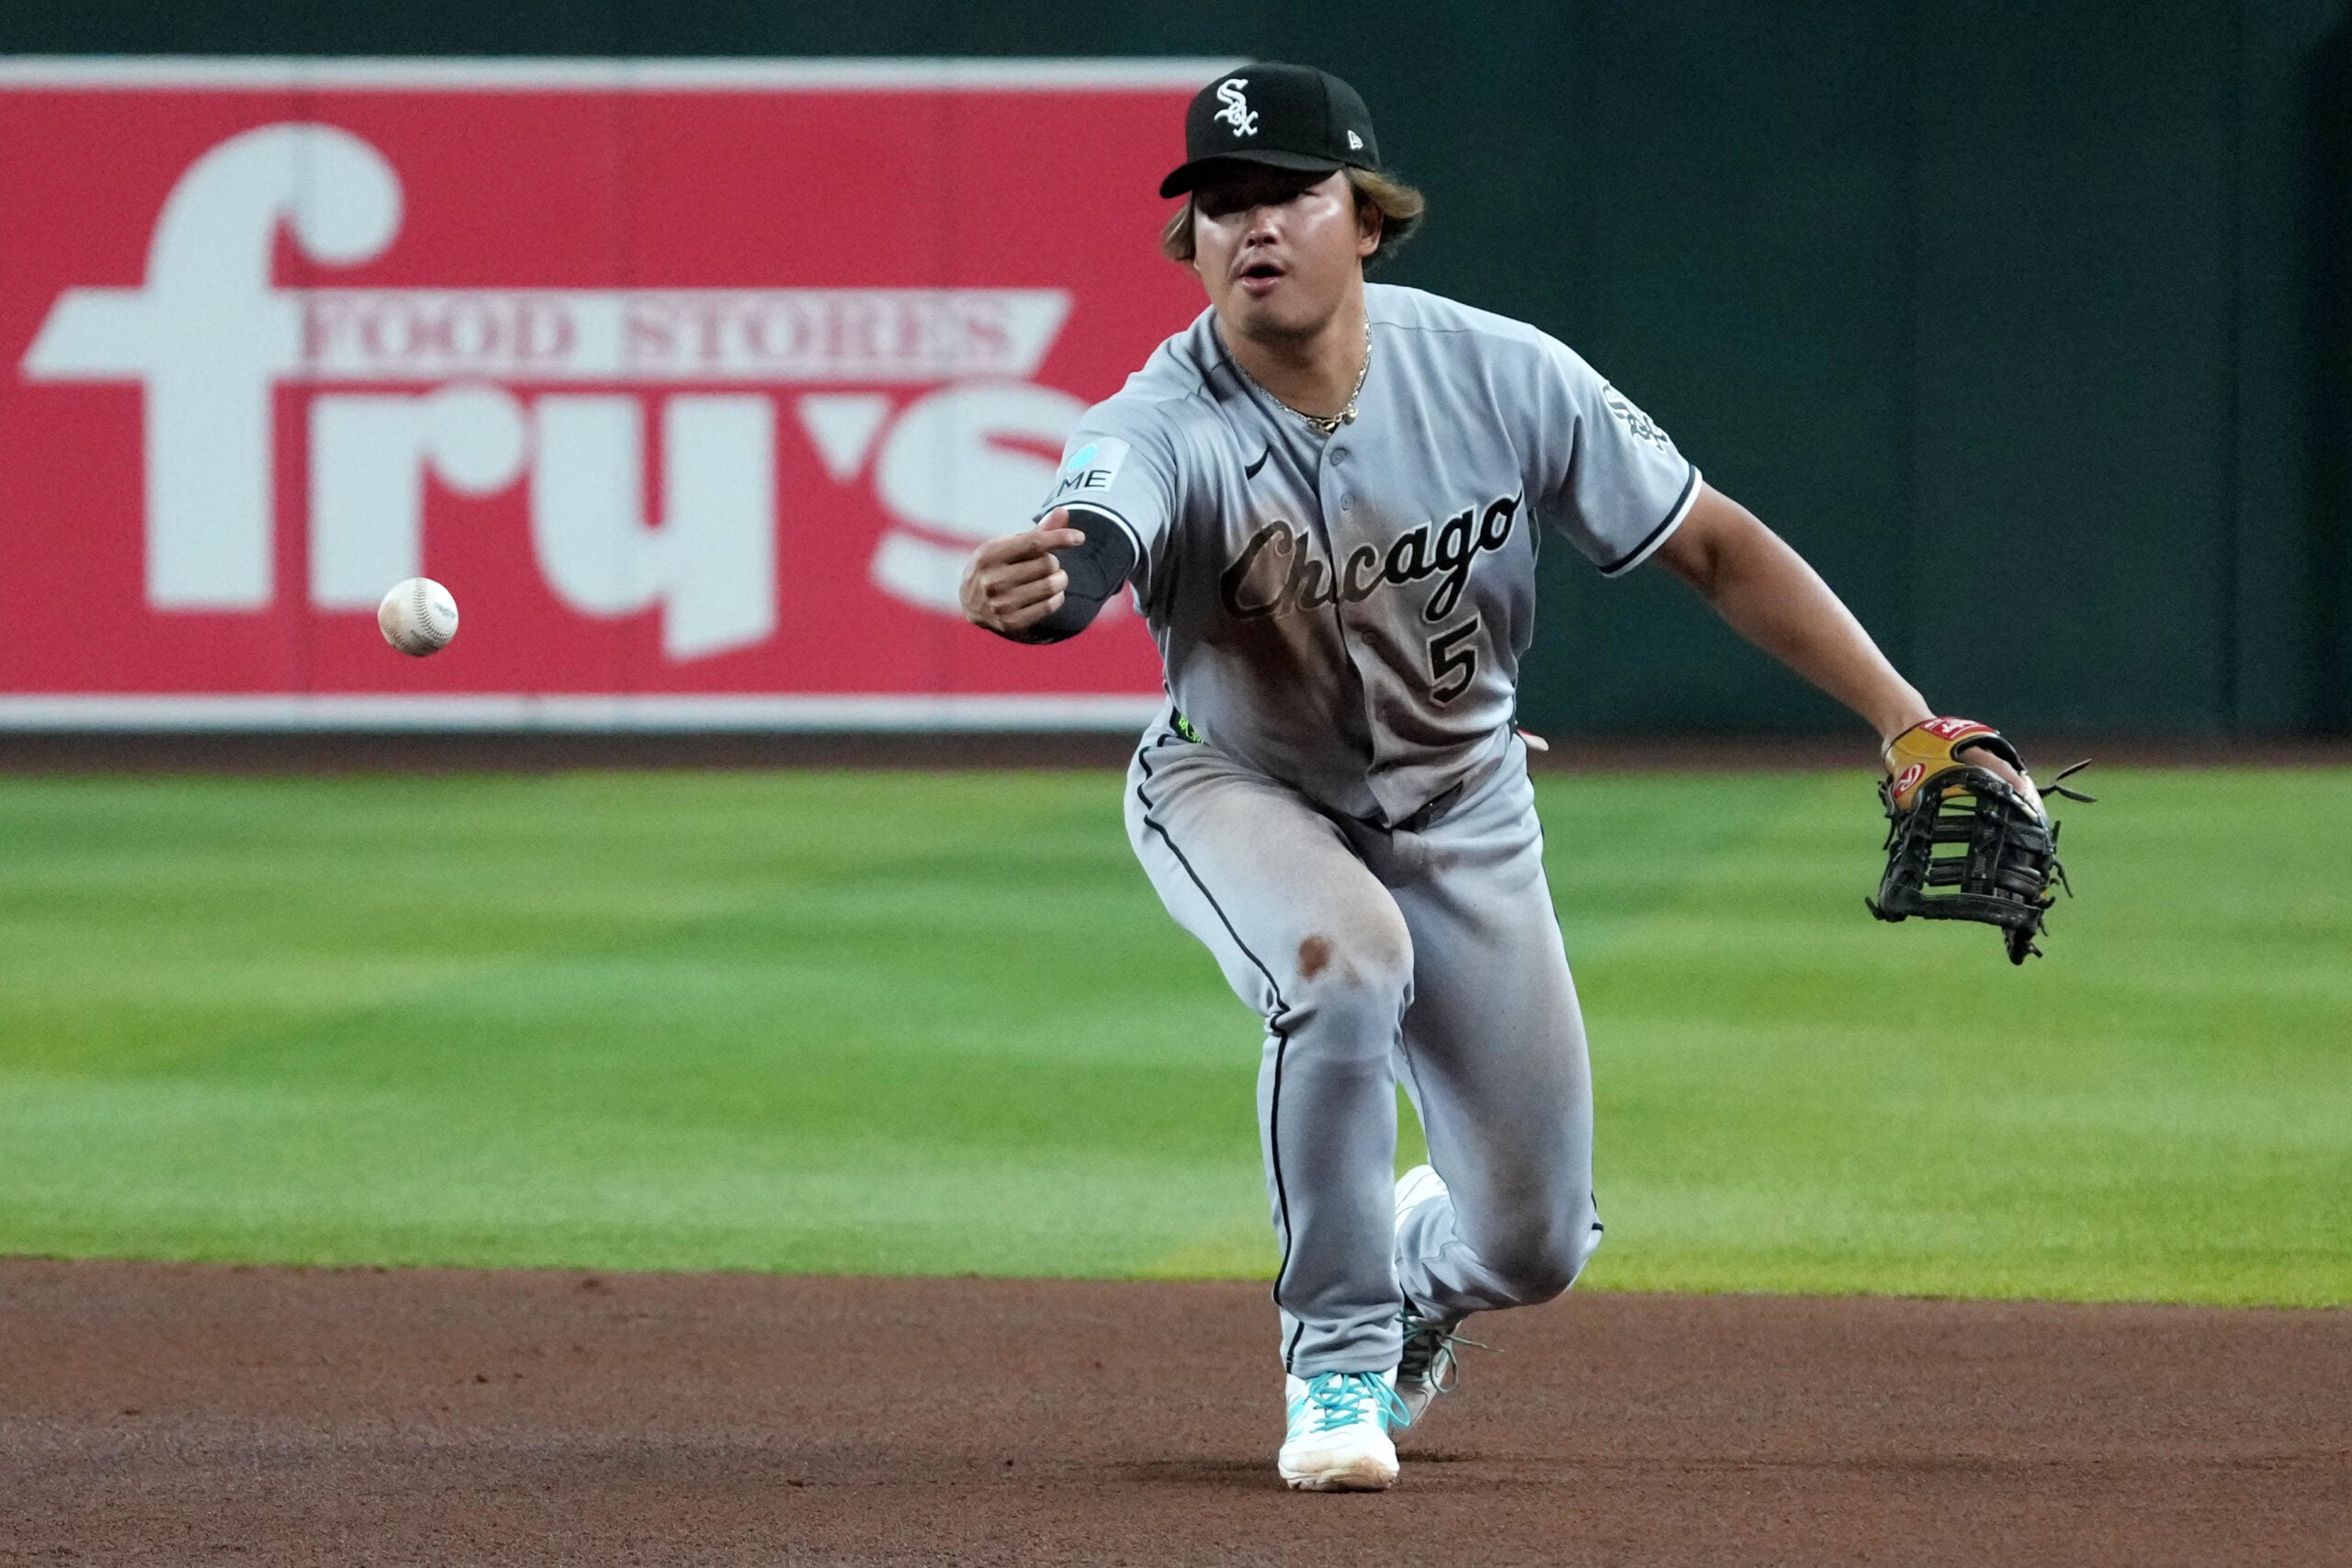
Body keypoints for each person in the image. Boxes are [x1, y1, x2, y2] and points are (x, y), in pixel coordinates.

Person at [959, 62, 2043, 1493]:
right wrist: (1053, 585)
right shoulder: (1160, 417)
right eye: (1220, 205)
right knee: (1343, 971)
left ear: (1366, 215)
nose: (1253, 227)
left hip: (1467, 807)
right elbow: (1098, 529)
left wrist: (1907, 722)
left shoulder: (1499, 370)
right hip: (1240, 789)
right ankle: (1335, 1366)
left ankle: (1420, 1278)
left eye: (1289, 192)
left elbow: (1709, 544)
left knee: (1532, 1249)